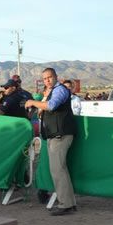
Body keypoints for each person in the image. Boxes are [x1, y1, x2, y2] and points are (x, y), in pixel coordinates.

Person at [25, 68, 77, 216]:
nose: (47, 80)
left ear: (56, 77)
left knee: (58, 170)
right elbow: (43, 110)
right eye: (45, 78)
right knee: (60, 170)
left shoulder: (60, 90)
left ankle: (65, 205)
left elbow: (52, 106)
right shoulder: (51, 92)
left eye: (49, 77)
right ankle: (69, 203)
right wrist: (40, 101)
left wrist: (32, 102)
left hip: (60, 135)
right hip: (54, 135)